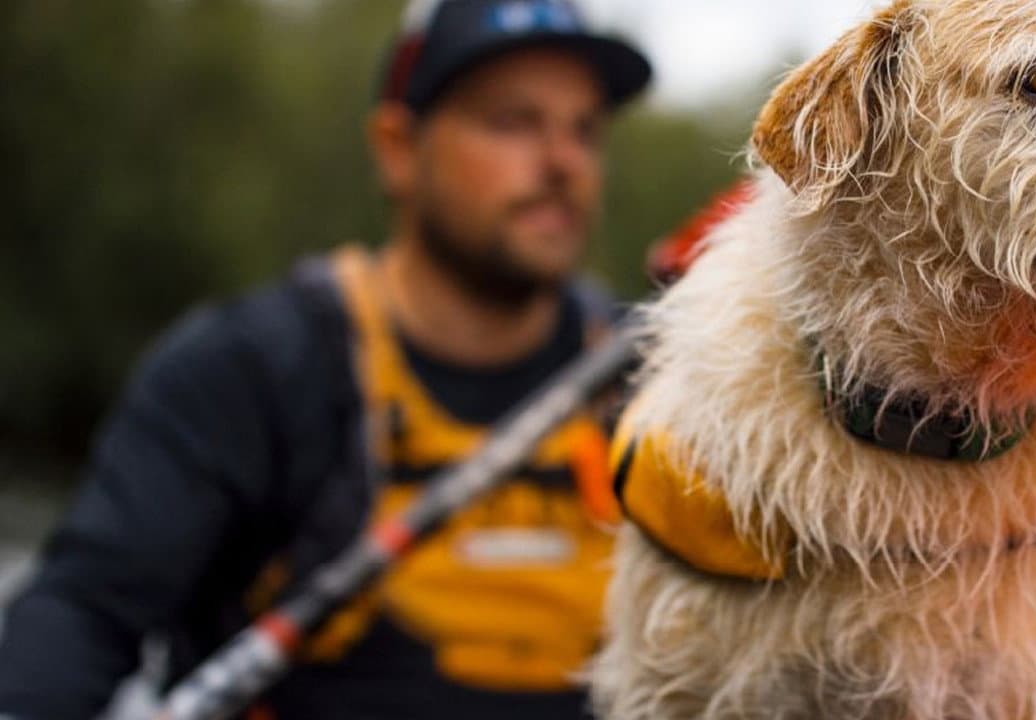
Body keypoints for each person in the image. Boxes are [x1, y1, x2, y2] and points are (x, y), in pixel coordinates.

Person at [0, 0, 651, 717]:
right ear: (397, 150)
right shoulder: (250, 370)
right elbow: (85, 613)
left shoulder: (660, 379)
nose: (562, 162)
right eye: (513, 122)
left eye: (585, 130)